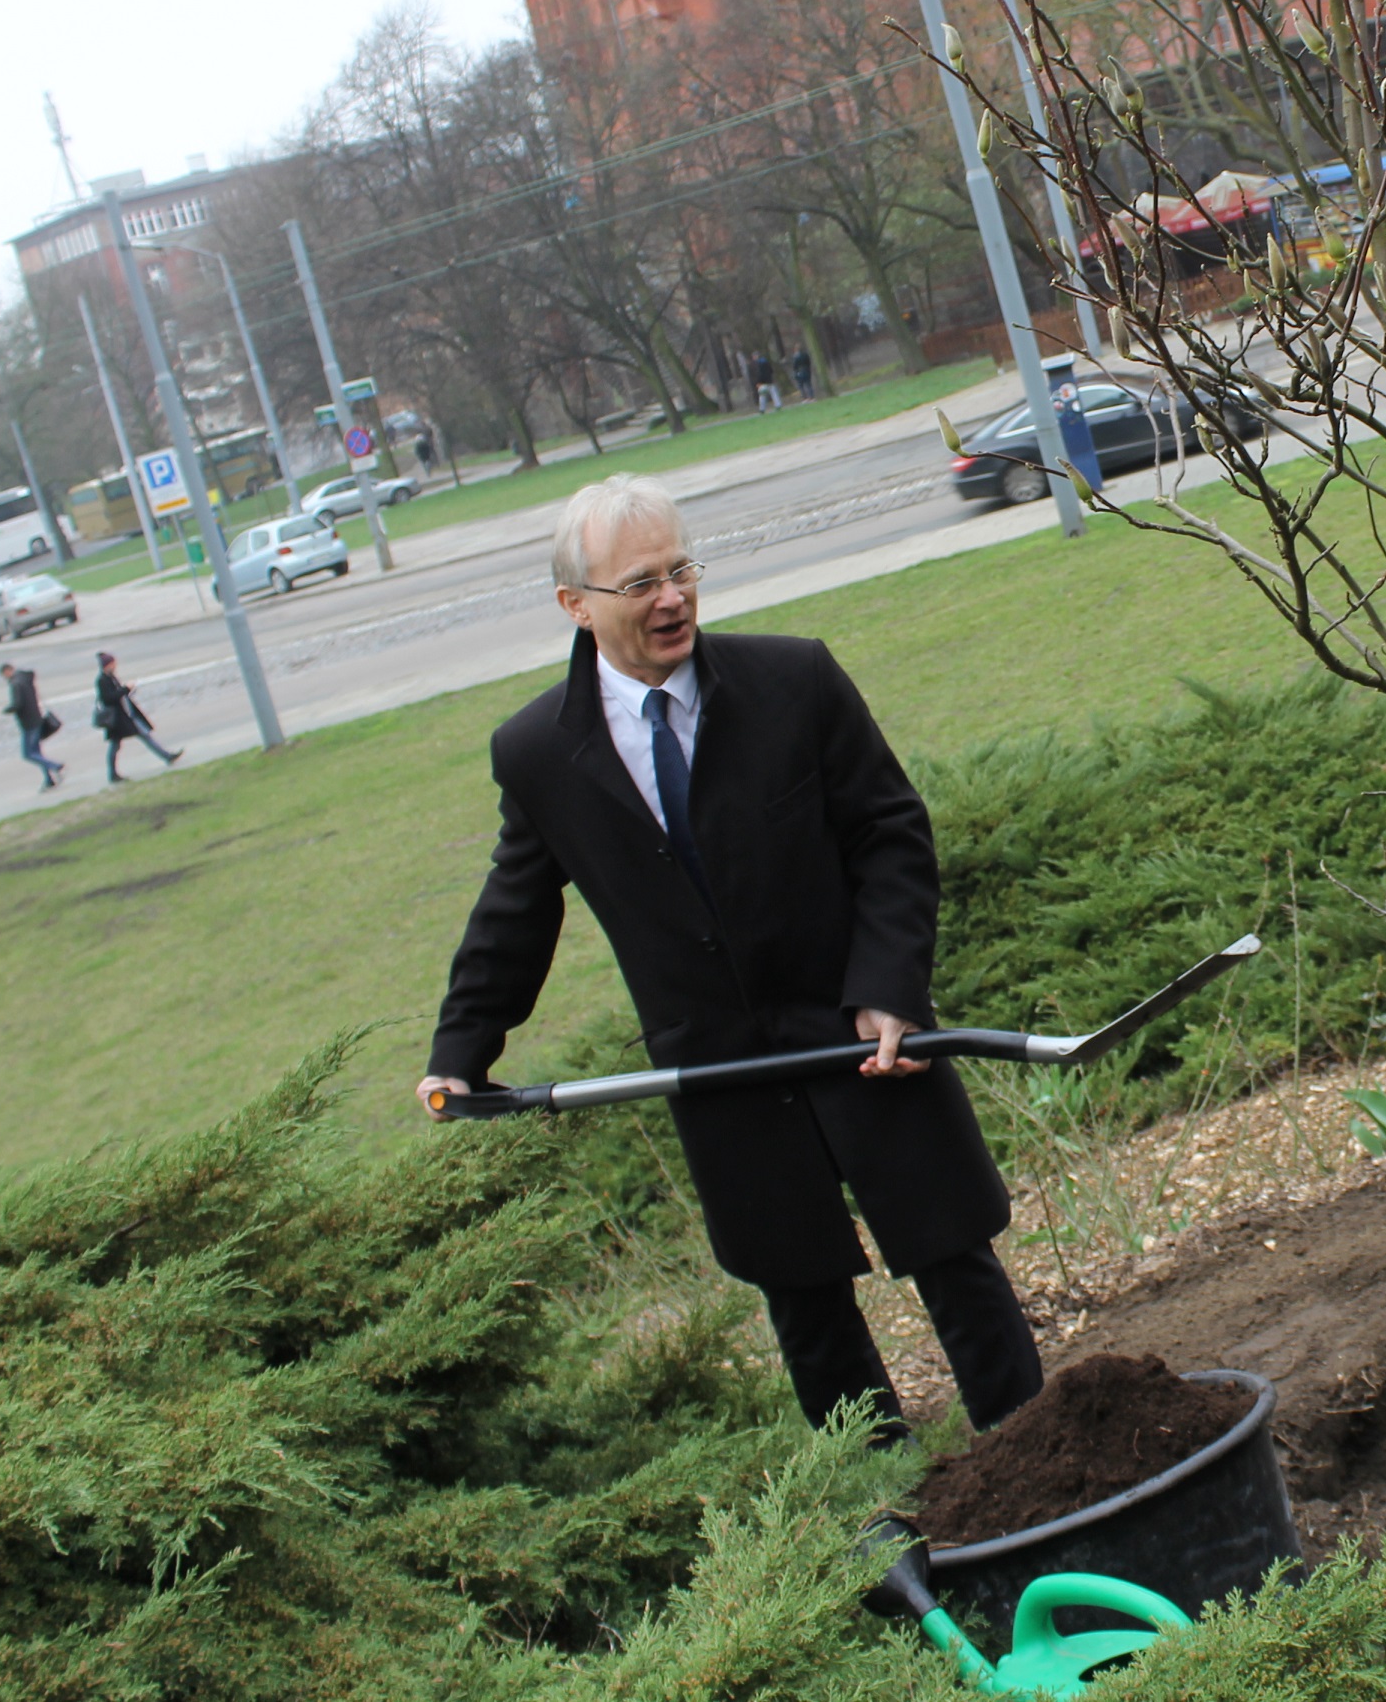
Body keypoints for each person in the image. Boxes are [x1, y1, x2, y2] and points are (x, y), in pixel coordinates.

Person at [417, 474, 1041, 1437]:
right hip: (722, 1075)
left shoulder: (795, 682)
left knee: (955, 1260)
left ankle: (1044, 1469)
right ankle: (895, 1533)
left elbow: (890, 834)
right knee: (808, 1312)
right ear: (575, 607)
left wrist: (888, 991)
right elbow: (516, 906)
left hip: (857, 1038)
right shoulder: (538, 751)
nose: (671, 599)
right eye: (639, 584)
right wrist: (460, 1053)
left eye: (681, 571)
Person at [91, 652, 183, 782]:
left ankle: (167, 756)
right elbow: (108, 698)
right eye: (113, 663)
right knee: (116, 745)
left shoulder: (110, 677)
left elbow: (118, 694)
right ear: (108, 665)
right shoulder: (102, 680)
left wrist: (128, 690)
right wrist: (126, 689)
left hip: (125, 715)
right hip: (117, 720)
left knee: (143, 735)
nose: (115, 665)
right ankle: (113, 774)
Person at [0, 661, 63, 790]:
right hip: (37, 718)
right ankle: (49, 780)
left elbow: (17, 704)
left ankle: (55, 766)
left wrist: (8, 709)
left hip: (28, 723)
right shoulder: (26, 679)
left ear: (7, 671)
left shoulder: (16, 684)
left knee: (28, 753)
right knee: (37, 752)